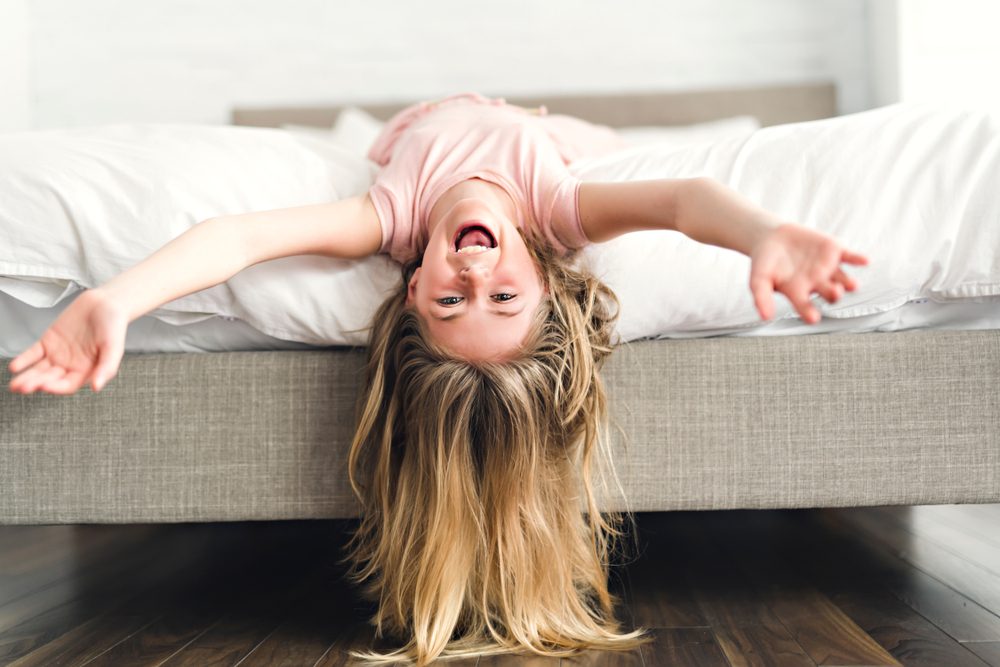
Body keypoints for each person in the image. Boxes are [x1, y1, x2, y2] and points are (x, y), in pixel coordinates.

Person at [6, 92, 867, 665]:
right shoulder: (556, 203)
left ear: (410, 287)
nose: (472, 265)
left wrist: (116, 300)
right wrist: (762, 236)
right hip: (557, 134)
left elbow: (238, 238)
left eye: (454, 300)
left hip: (416, 132)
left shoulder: (393, 215)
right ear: (541, 267)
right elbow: (685, 201)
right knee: (610, 154)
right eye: (501, 295)